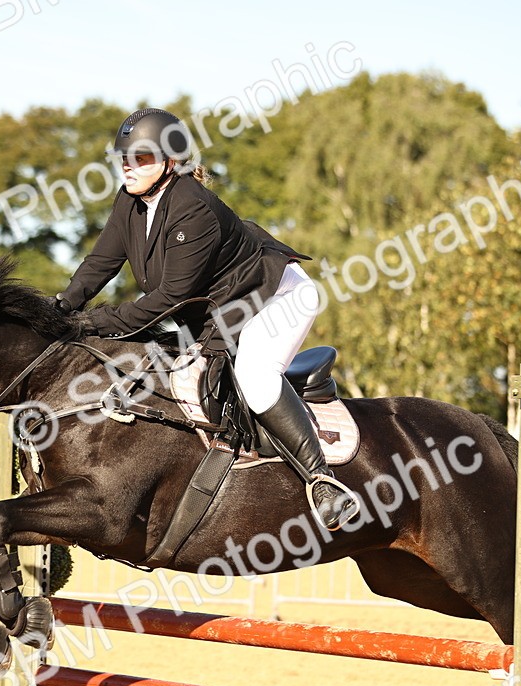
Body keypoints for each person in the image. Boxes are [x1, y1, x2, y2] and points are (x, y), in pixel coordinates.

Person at [55, 107, 359, 531]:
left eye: (141, 158)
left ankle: (323, 482)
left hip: (277, 296)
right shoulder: (130, 202)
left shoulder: (192, 208)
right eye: (124, 157)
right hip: (223, 307)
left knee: (254, 375)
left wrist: (94, 322)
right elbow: (100, 263)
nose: (129, 166)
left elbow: (170, 298)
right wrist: (60, 307)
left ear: (169, 163)